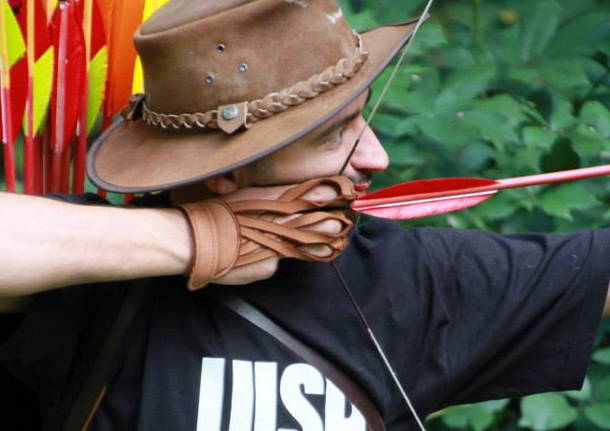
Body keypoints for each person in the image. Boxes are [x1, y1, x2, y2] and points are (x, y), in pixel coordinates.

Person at [1, 0, 609, 430]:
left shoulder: (408, 281)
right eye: (334, 136)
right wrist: (205, 239)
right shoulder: (87, 277)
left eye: (363, 119)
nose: (377, 156)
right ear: (228, 169)